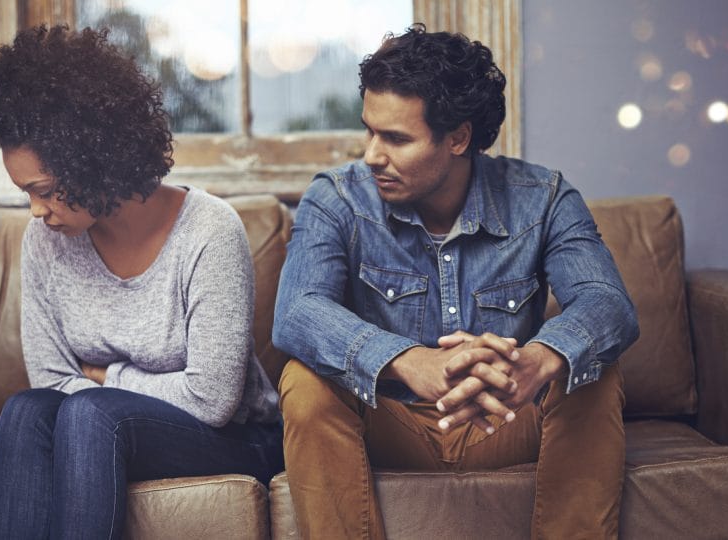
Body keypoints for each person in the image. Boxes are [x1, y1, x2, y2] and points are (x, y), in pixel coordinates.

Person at [273, 24, 639, 539]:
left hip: (505, 422)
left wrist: (536, 361)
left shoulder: (543, 197)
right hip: (392, 423)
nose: (373, 155)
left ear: (458, 138)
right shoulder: (337, 199)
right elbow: (296, 311)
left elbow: (609, 304)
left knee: (594, 370)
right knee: (304, 381)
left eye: (396, 138)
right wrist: (411, 360)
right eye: (370, 130)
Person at [0, 25, 283, 539]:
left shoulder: (209, 230)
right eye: (26, 193)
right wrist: (97, 387)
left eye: (46, 190)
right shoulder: (47, 242)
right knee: (28, 409)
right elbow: (51, 381)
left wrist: (105, 377)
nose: (36, 211)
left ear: (93, 160)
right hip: (105, 431)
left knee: (91, 414)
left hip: (237, 439)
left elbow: (212, 400)